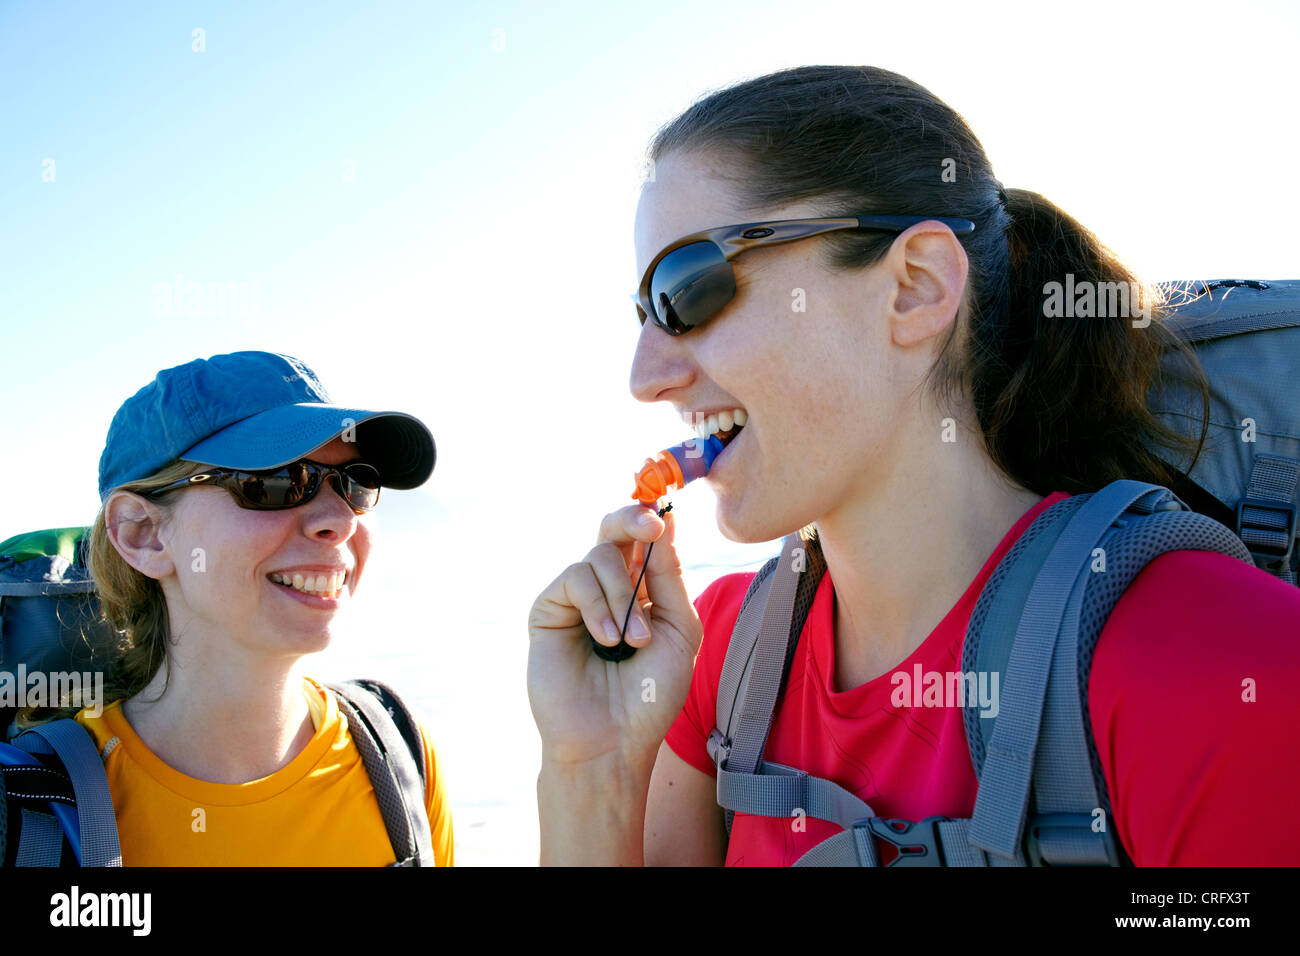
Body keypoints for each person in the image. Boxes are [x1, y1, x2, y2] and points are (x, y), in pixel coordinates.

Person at [526, 65, 1300, 865]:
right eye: (642, 311)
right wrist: (594, 769)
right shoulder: (709, 661)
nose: (645, 376)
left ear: (916, 287)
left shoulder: (1222, 667)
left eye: (688, 288)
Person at [57, 350, 452, 865]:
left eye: (356, 483)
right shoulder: (38, 813)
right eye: (276, 481)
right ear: (144, 534)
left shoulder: (399, 761)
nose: (340, 519)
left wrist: (573, 762)